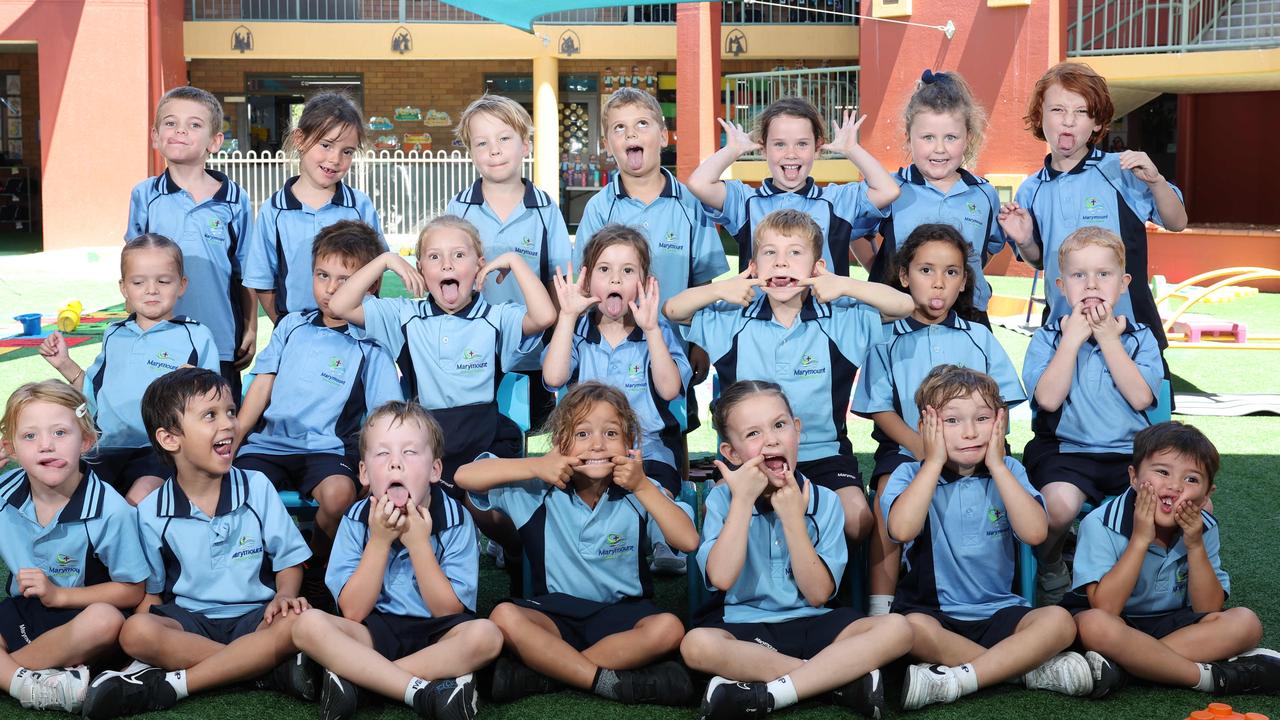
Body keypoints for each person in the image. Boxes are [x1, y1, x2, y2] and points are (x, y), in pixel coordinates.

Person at [664, 209, 914, 541]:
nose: (781, 263)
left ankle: (829, 587)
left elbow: (905, 306)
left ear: (816, 268)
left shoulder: (840, 321)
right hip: (751, 456)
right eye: (770, 253)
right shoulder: (732, 320)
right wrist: (721, 289)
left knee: (856, 518)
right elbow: (672, 310)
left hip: (822, 454)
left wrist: (841, 283)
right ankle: (738, 590)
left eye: (794, 253)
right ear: (753, 266)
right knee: (716, 508)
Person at [80, 368, 314, 719]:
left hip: (257, 618)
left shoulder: (258, 486)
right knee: (137, 632)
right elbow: (153, 594)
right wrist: (140, 642)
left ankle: (184, 680)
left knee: (298, 622)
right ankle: (262, 668)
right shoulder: (151, 512)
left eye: (231, 412)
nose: (229, 424)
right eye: (210, 415)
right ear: (170, 439)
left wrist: (283, 596)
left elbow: (289, 561)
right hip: (190, 622)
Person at [680, 380, 913, 719]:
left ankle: (772, 692)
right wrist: (743, 501)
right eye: (753, 434)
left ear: (797, 430)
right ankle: (836, 681)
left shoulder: (827, 501)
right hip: (746, 627)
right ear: (731, 453)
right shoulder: (722, 499)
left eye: (779, 425)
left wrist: (793, 518)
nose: (772, 439)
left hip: (816, 623)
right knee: (696, 645)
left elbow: (818, 594)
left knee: (898, 629)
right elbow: (722, 578)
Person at [454, 382, 698, 706]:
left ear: (630, 443)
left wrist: (643, 487)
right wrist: (535, 465)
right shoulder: (535, 489)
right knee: (503, 616)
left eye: (611, 434)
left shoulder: (641, 490)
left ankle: (546, 673)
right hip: (555, 614)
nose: (597, 444)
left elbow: (688, 540)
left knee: (668, 628)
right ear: (560, 443)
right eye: (582, 434)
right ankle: (605, 680)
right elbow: (464, 476)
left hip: (622, 614)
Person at [883, 365, 1092, 710]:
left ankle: (958, 678)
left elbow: (1036, 532)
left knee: (1059, 621)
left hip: (999, 612)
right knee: (906, 629)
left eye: (982, 419)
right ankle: (1023, 672)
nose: (969, 433)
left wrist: (997, 465)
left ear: (1000, 422)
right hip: (933, 615)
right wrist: (932, 462)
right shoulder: (910, 474)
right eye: (951, 421)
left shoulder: (1009, 471)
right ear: (926, 427)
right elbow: (902, 530)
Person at [853, 223, 1026, 617]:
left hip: (979, 451)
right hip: (908, 451)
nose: (938, 283)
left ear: (964, 281)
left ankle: (995, 592)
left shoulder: (979, 337)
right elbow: (880, 407)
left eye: (951, 272)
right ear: (903, 276)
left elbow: (1004, 402)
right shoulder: (884, 337)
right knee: (885, 500)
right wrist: (921, 447)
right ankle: (882, 607)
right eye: (926, 270)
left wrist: (983, 446)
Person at [291, 401, 503, 720]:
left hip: (438, 635)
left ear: (435, 469)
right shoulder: (355, 518)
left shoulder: (457, 519)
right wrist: (378, 540)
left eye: (410, 452)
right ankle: (422, 691)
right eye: (382, 454)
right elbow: (352, 610)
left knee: (487, 636)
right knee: (306, 625)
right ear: (364, 472)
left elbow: (448, 610)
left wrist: (419, 545)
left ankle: (362, 682)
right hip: (372, 633)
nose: (395, 465)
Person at [235, 220, 403, 603]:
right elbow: (262, 383)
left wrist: (373, 464)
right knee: (240, 489)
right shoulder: (292, 325)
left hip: (327, 451)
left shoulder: (372, 343)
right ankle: (262, 572)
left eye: (345, 279)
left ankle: (316, 566)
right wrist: (238, 436)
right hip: (270, 445)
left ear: (370, 285)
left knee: (339, 496)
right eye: (322, 275)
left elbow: (383, 415)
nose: (330, 288)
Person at [327, 214, 556, 491]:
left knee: (481, 507)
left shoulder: (496, 317)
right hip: (428, 441)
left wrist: (514, 261)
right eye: (434, 257)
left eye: (459, 255)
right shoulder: (405, 316)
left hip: (485, 440)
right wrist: (385, 260)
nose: (447, 264)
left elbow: (544, 316)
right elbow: (340, 305)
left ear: (479, 265)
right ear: (419, 269)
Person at [1070, 421, 1280, 698]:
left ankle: (1128, 669)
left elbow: (1207, 608)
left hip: (1174, 626)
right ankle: (1208, 678)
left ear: (1207, 495)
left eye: (1191, 479)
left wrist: (1195, 545)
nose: (1174, 486)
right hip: (1117, 623)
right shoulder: (1100, 523)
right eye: (1161, 472)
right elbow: (1106, 608)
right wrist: (1140, 539)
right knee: (1094, 625)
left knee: (1246, 622)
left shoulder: (1203, 526)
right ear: (1133, 477)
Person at [999, 61, 1187, 350]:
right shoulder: (1031, 190)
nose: (1068, 121)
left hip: (1130, 334)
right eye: (1058, 110)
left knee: (1141, 397)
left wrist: (1157, 181)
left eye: (1081, 112)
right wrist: (1024, 240)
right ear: (1040, 116)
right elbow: (1039, 260)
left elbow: (1177, 222)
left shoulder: (1122, 170)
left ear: (1097, 122)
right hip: (1064, 335)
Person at [1021, 227, 1163, 605]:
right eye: (1078, 275)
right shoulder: (1047, 338)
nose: (1091, 284)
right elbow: (1048, 401)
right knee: (1057, 509)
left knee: (1173, 499)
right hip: (1066, 454)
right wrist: (1071, 341)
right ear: (1061, 284)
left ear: (1123, 283)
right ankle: (1051, 563)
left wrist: (1108, 340)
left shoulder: (1140, 337)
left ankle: (1155, 579)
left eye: (1104, 274)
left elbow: (1140, 396)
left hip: (1130, 454)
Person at [542, 225, 691, 572]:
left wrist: (653, 330)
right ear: (587, 279)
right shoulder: (576, 330)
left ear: (644, 282)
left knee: (654, 489)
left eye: (627, 271)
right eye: (604, 270)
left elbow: (669, 389)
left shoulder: (656, 329)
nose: (615, 280)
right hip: (585, 451)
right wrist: (566, 316)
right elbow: (553, 378)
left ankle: (663, 537)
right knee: (574, 498)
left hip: (646, 448)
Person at [0, 381, 148, 714]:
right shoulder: (4, 492)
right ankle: (31, 682)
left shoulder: (111, 509)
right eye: (29, 436)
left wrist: (60, 595)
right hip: (25, 610)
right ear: (10, 449)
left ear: (86, 441)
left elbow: (133, 590)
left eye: (60, 433)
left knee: (106, 621)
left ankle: (12, 673)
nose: (45, 446)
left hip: (83, 614)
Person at [40, 234, 220, 504]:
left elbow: (215, 403)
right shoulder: (114, 334)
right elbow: (92, 391)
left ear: (182, 285)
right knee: (70, 497)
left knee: (139, 497)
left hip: (160, 450)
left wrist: (194, 388)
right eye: (138, 282)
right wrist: (64, 363)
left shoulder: (197, 335)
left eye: (163, 280)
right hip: (106, 448)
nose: (151, 290)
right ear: (124, 287)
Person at [447, 94, 572, 430]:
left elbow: (558, 284)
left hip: (532, 353)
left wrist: (560, 340)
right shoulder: (458, 210)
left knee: (530, 433)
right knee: (478, 432)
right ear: (471, 152)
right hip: (473, 350)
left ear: (526, 145)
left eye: (504, 139)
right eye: (482, 143)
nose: (494, 150)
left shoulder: (545, 211)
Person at [124, 86, 255, 396]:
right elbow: (132, 268)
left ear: (215, 141)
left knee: (217, 424)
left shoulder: (235, 200)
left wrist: (250, 327)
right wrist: (132, 324)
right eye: (170, 123)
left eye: (194, 124)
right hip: (157, 337)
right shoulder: (145, 195)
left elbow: (246, 272)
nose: (180, 130)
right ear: (155, 136)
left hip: (219, 339)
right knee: (160, 423)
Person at [687, 96, 898, 276]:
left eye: (802, 144)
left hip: (827, 320)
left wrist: (852, 149)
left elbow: (888, 190)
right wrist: (733, 150)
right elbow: (699, 183)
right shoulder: (746, 201)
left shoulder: (838, 200)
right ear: (763, 149)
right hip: (760, 321)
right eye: (779, 144)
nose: (791, 153)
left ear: (817, 148)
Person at [864, 70, 1006, 326]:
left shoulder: (984, 194)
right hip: (900, 316)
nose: (939, 148)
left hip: (966, 317)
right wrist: (879, 269)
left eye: (950, 137)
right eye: (928, 137)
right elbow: (856, 229)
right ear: (909, 139)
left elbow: (986, 251)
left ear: (968, 139)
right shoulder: (891, 187)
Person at [573, 87, 728, 307]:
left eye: (642, 124)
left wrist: (696, 342)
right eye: (619, 128)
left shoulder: (691, 204)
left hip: (675, 338)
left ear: (664, 136)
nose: (630, 134)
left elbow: (704, 283)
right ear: (607, 146)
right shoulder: (599, 208)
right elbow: (585, 282)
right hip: (616, 339)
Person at [245, 91, 385, 324]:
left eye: (347, 151)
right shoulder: (274, 210)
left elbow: (375, 270)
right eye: (326, 145)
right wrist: (287, 326)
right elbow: (262, 281)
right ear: (300, 139)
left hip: (353, 331)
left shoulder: (360, 206)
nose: (335, 159)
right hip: (297, 328)